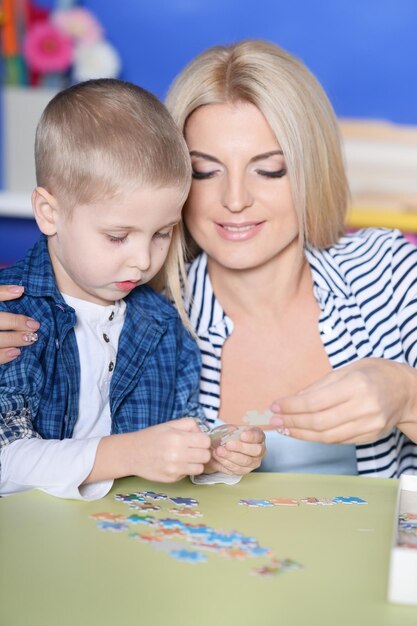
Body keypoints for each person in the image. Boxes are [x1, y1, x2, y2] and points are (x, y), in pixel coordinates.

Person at [2, 40, 417, 477]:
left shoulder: (387, 270)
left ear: (311, 168)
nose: (235, 200)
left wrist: (408, 398)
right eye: (204, 171)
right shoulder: (137, 306)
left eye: (269, 169)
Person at [0, 78, 265, 500]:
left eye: (162, 233)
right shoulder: (13, 317)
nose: (143, 260)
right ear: (50, 213)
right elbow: (5, 460)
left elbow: (180, 434)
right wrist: (126, 455)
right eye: (118, 236)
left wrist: (214, 453)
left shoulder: (162, 325)